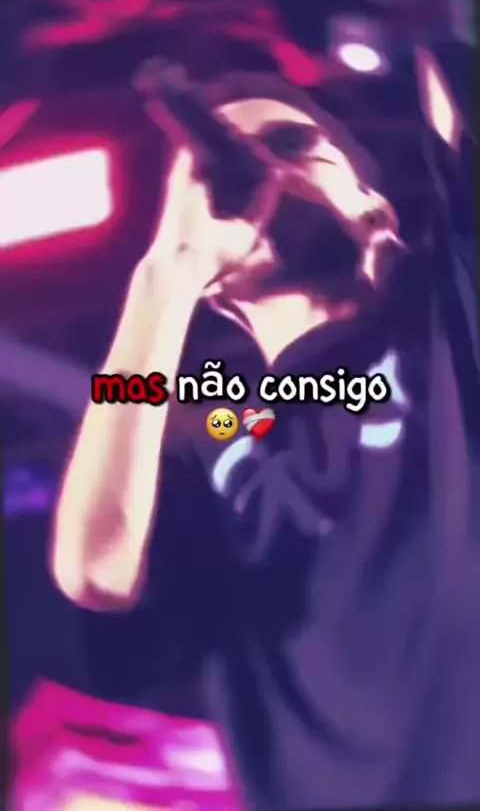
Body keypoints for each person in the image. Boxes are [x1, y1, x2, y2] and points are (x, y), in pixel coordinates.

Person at [50, 50, 479, 810]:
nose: (262, 174)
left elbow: (452, 55)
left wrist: (416, 14)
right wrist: (169, 270)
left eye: (291, 146)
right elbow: (97, 569)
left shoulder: (447, 319)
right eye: (225, 165)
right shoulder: (206, 427)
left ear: (374, 207)